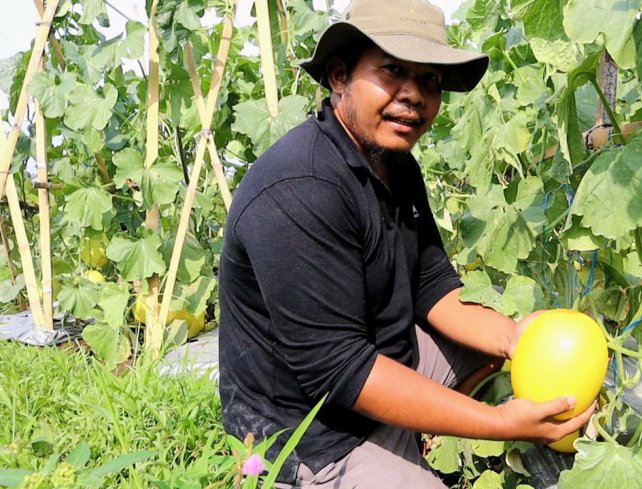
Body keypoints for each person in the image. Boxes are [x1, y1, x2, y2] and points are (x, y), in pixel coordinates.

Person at [218, 0, 595, 487]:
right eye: (393, 71)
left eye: (430, 79)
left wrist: (513, 338)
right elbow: (340, 370)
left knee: (496, 342)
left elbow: (432, 285)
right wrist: (499, 424)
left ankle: (420, 431)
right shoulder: (300, 187)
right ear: (338, 76)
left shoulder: (396, 165)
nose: (414, 95)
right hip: (314, 434)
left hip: (381, 363)